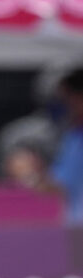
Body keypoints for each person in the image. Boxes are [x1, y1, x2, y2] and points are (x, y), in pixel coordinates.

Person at [50, 67, 83, 224]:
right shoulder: (73, 136)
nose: (65, 106)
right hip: (74, 230)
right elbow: (60, 184)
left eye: (66, 99)